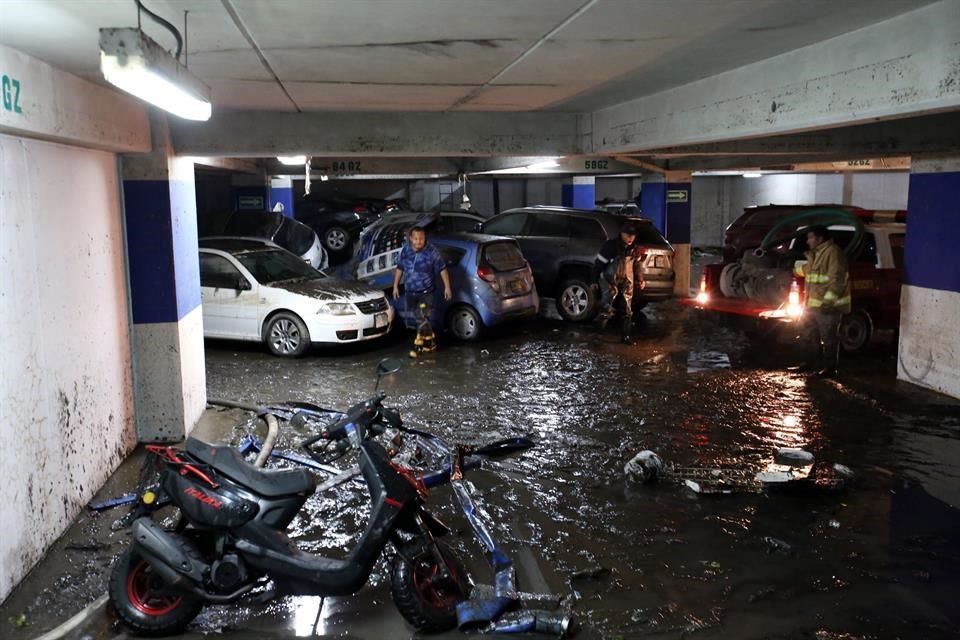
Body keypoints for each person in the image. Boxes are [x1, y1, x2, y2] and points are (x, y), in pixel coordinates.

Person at [796, 225, 850, 378]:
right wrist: (792, 271)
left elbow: (837, 279)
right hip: (811, 305)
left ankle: (830, 369)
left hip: (826, 307)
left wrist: (828, 302)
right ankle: (807, 364)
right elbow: (809, 270)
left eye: (810, 237)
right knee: (807, 334)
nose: (807, 241)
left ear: (820, 238)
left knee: (828, 338)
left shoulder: (833, 253)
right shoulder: (817, 253)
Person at [392, 226, 452, 356]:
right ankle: (430, 344)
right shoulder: (406, 251)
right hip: (410, 293)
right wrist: (395, 285)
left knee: (422, 318)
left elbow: (442, 269)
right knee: (420, 319)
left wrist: (447, 287)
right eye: (416, 239)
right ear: (411, 239)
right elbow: (400, 268)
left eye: (422, 239)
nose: (419, 241)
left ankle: (418, 346)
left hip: (426, 293)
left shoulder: (431, 252)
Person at [594, 221, 644, 342]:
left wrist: (640, 279)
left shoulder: (635, 249)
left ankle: (625, 337)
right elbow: (598, 264)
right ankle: (598, 336)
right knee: (606, 307)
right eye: (628, 234)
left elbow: (637, 265)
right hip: (609, 279)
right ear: (621, 233)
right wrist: (593, 280)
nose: (630, 238)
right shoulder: (610, 246)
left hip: (627, 280)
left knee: (627, 309)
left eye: (633, 235)